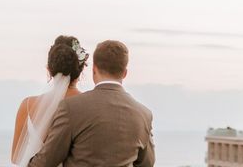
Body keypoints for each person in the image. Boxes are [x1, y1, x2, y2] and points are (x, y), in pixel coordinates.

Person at [27, 40, 155, 167]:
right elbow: (147, 163)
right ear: (125, 73)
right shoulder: (144, 114)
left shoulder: (71, 108)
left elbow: (45, 162)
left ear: (94, 69)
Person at [11, 35, 89, 166]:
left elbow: (16, 158)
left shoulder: (28, 105)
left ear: (49, 69)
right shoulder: (89, 105)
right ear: (81, 70)